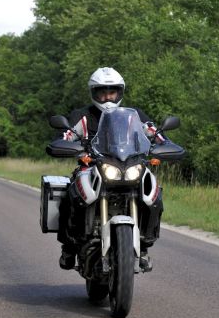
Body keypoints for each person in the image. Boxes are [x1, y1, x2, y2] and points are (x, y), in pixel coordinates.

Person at [57, 67, 163, 272]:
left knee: (154, 194)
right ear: (94, 92)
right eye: (102, 92)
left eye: (112, 91)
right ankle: (69, 246)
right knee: (69, 195)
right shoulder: (83, 116)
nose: (107, 97)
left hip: (129, 165)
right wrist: (65, 144)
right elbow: (65, 136)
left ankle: (145, 244)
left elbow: (154, 133)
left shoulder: (134, 116)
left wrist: (164, 143)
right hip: (92, 167)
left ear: (120, 92)